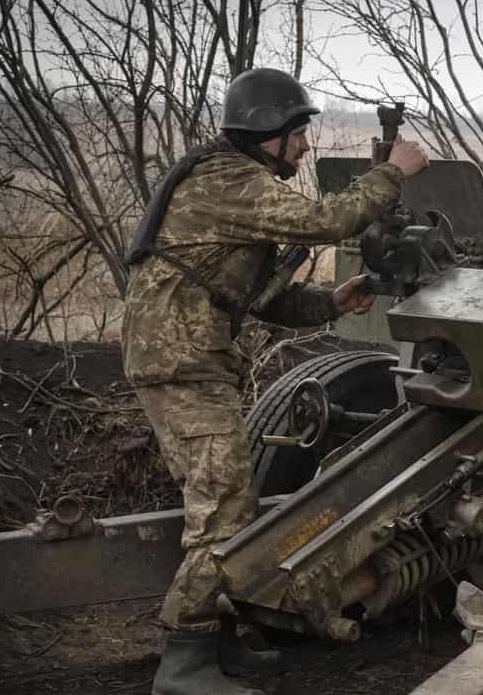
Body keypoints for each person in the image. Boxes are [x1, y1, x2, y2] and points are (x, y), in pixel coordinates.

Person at [122, 67, 428, 695]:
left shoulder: (231, 181)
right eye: (299, 134)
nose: (305, 147)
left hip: (193, 356)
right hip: (180, 362)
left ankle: (220, 645)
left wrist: (328, 304)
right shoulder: (228, 178)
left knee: (225, 505)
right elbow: (324, 222)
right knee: (224, 512)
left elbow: (252, 297)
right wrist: (393, 170)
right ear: (269, 130)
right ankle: (183, 665)